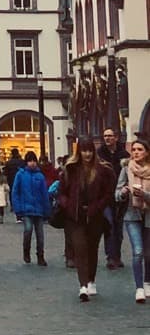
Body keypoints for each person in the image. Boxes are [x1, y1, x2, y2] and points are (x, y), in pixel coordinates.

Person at [58, 136, 116, 301]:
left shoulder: (102, 170)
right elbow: (61, 192)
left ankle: (91, 280)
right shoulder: (70, 169)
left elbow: (108, 193)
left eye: (90, 150)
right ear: (79, 151)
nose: (87, 154)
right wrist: (67, 205)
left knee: (92, 249)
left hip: (94, 216)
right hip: (74, 217)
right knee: (80, 248)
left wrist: (97, 207)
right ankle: (83, 285)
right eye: (84, 150)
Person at [114, 136, 150, 303]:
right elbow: (117, 193)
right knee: (137, 251)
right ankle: (139, 288)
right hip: (132, 214)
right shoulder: (126, 168)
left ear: (147, 153)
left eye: (139, 150)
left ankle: (147, 281)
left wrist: (144, 194)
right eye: (133, 150)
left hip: (149, 214)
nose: (136, 152)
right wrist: (123, 193)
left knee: (148, 253)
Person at [11, 151, 50, 266]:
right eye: (30, 161)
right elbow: (15, 192)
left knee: (40, 235)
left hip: (39, 210)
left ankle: (40, 256)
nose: (32, 163)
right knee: (28, 230)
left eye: (34, 161)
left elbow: (44, 194)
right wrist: (18, 209)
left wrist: (47, 211)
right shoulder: (21, 174)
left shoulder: (40, 176)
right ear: (26, 162)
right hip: (26, 209)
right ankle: (26, 251)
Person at [98, 127, 129, 269]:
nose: (107, 138)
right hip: (105, 196)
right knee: (109, 225)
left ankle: (117, 256)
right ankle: (110, 257)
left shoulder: (124, 154)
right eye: (105, 136)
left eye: (110, 136)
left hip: (121, 197)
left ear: (116, 137)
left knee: (118, 228)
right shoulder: (100, 154)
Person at [3, 147, 25, 221]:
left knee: (13, 194)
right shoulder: (22, 161)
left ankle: (14, 207)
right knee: (21, 194)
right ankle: (22, 210)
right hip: (21, 180)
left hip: (11, 180)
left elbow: (5, 172)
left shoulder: (9, 162)